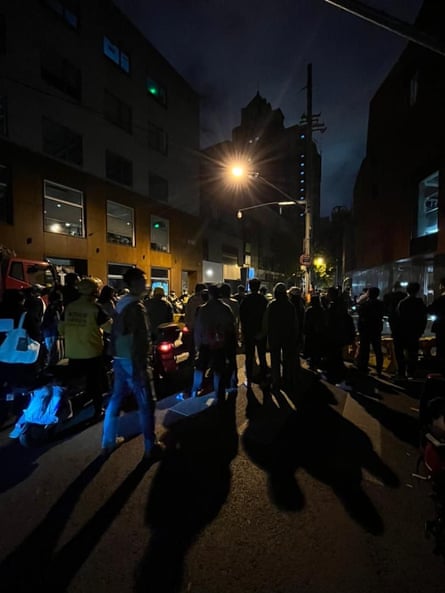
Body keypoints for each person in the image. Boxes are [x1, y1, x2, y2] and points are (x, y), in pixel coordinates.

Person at [101, 267, 163, 460]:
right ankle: (149, 446)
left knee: (116, 399)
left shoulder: (121, 303)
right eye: (142, 281)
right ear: (132, 284)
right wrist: (140, 364)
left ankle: (108, 442)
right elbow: (141, 339)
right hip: (134, 359)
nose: (146, 284)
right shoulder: (136, 306)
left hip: (119, 357)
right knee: (146, 403)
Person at [58, 277, 109, 421]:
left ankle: (71, 408)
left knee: (76, 381)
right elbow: (110, 327)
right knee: (95, 384)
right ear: (95, 291)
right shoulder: (95, 308)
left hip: (73, 352)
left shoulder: (70, 307)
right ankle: (98, 410)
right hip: (92, 352)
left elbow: (61, 329)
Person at [191, 283, 237, 402]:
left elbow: (198, 329)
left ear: (209, 294)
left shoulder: (203, 309)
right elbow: (231, 326)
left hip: (205, 344)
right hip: (220, 345)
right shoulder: (225, 308)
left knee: (200, 368)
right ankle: (219, 395)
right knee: (218, 370)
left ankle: (195, 391)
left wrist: (197, 345)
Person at [262, 282, 299, 394]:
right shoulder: (290, 306)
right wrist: (296, 336)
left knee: (275, 360)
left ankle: (276, 381)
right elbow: (295, 323)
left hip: (274, 336)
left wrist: (264, 334)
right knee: (287, 359)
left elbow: (266, 321)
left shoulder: (272, 305)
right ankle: (287, 380)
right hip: (288, 336)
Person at [239, 277, 269, 388]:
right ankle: (264, 378)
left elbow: (242, 317)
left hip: (249, 332)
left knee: (249, 356)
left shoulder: (246, 300)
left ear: (250, 287)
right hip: (260, 332)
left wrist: (243, 332)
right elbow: (267, 317)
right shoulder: (264, 300)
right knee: (262, 356)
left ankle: (249, 380)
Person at [395, 281, 427, 379]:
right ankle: (411, 372)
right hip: (414, 332)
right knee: (413, 353)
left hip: (403, 332)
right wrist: (420, 330)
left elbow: (398, 318)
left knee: (400, 352)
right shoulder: (420, 303)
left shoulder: (403, 303)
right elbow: (423, 318)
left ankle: (401, 372)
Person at [356, 286, 384, 376]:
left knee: (365, 349)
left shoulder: (365, 305)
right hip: (376, 329)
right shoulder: (380, 304)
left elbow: (360, 312)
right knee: (377, 349)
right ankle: (379, 368)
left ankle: (363, 366)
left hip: (366, 330)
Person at [303, 293, 327, 371]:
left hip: (311, 334)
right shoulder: (322, 310)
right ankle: (317, 362)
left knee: (311, 348)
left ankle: (313, 363)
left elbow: (306, 322)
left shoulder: (309, 310)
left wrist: (305, 331)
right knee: (318, 349)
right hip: (319, 333)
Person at [40, 288, 64, 367]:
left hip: (47, 331)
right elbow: (57, 320)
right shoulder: (57, 307)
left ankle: (49, 366)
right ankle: (52, 367)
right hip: (53, 331)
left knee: (50, 350)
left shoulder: (49, 307)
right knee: (54, 351)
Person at [428, 278, 445, 376]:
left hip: (442, 327)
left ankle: (441, 370)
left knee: (441, 349)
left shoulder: (441, 299)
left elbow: (431, 310)